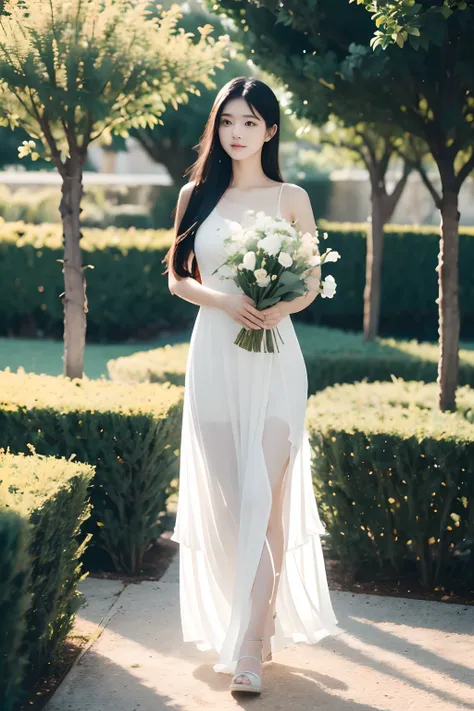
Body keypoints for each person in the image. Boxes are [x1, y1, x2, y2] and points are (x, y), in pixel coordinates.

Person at [162, 76, 340, 695]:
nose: (237, 133)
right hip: (214, 354)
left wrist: (276, 306)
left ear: (270, 130)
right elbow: (179, 279)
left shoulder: (291, 197)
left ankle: (248, 653)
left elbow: (312, 281)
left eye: (249, 122)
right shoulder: (195, 195)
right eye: (228, 121)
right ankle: (256, 631)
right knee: (242, 509)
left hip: (276, 360)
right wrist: (227, 300)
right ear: (219, 127)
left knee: (265, 503)